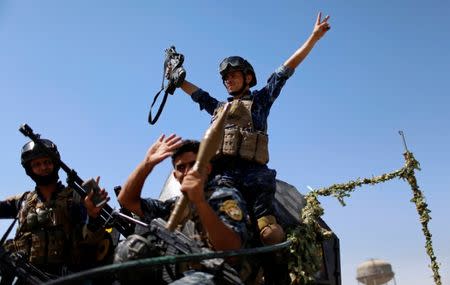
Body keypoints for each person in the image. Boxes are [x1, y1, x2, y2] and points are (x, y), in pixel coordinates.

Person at [176, 12, 331, 246]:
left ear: (248, 78)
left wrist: (313, 38)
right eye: (225, 77)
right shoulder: (220, 108)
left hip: (254, 175)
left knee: (269, 232)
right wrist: (176, 80)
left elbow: (285, 71)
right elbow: (199, 95)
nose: (228, 79)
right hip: (223, 175)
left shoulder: (260, 101)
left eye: (234, 75)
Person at [117, 134, 249, 284]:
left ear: (207, 168)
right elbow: (126, 200)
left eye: (193, 164)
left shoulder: (224, 196)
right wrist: (147, 164)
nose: (187, 171)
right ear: (175, 175)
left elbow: (230, 249)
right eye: (181, 167)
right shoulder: (176, 206)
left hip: (219, 277)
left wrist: (199, 201)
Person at [0, 139, 110, 278]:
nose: (43, 167)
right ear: (30, 169)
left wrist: (93, 216)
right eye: (37, 164)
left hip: (64, 279)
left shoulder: (75, 199)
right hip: (24, 277)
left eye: (47, 162)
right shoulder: (22, 201)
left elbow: (92, 243)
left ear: (55, 164)